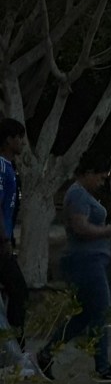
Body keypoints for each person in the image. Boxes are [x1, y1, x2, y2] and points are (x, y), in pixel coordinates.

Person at [37, 155, 111, 382]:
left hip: (91, 260)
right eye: (99, 177)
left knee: (85, 315)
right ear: (87, 173)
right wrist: (109, 231)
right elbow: (81, 227)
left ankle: (47, 352)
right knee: (101, 311)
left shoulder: (82, 194)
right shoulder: (77, 194)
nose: (101, 182)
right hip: (85, 262)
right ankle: (102, 366)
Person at [0, 118, 28, 344]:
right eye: (19, 138)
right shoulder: (1, 168)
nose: (22, 143)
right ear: (8, 140)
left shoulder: (11, 168)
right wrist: (4, 239)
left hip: (7, 238)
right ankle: (15, 345)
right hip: (1, 243)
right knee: (19, 291)